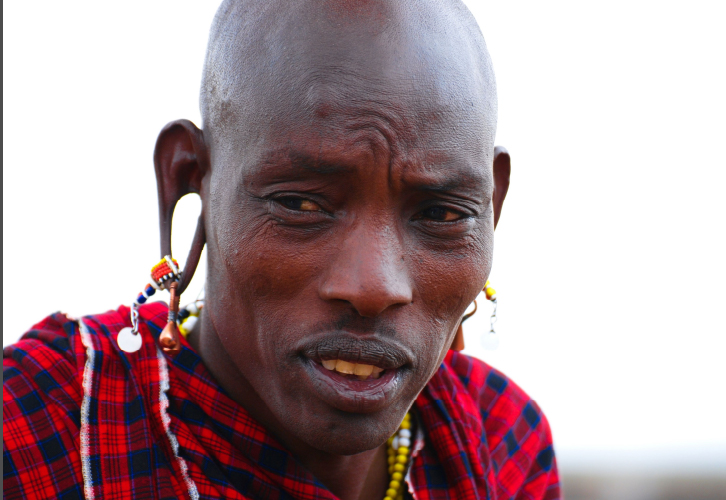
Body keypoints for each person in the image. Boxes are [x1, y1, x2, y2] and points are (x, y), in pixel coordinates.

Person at [2, 0, 560, 498]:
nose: (374, 286)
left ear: (493, 208)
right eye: (301, 205)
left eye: (440, 213)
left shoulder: (499, 444)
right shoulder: (42, 428)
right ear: (188, 180)